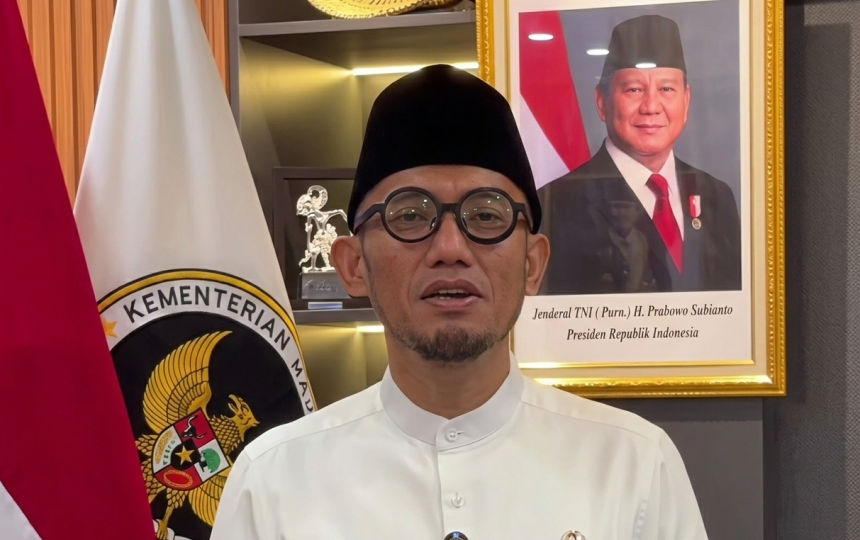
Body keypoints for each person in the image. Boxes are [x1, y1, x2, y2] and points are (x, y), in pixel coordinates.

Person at [210, 64, 708, 540]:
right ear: (353, 265)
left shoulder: (633, 465)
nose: (450, 249)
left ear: (533, 264)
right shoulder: (274, 479)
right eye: (410, 216)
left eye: (486, 216)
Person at [539, 14, 742, 295]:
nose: (651, 107)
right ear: (601, 102)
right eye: (634, 89)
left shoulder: (717, 196)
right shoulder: (555, 204)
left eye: (666, 89)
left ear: (686, 101)